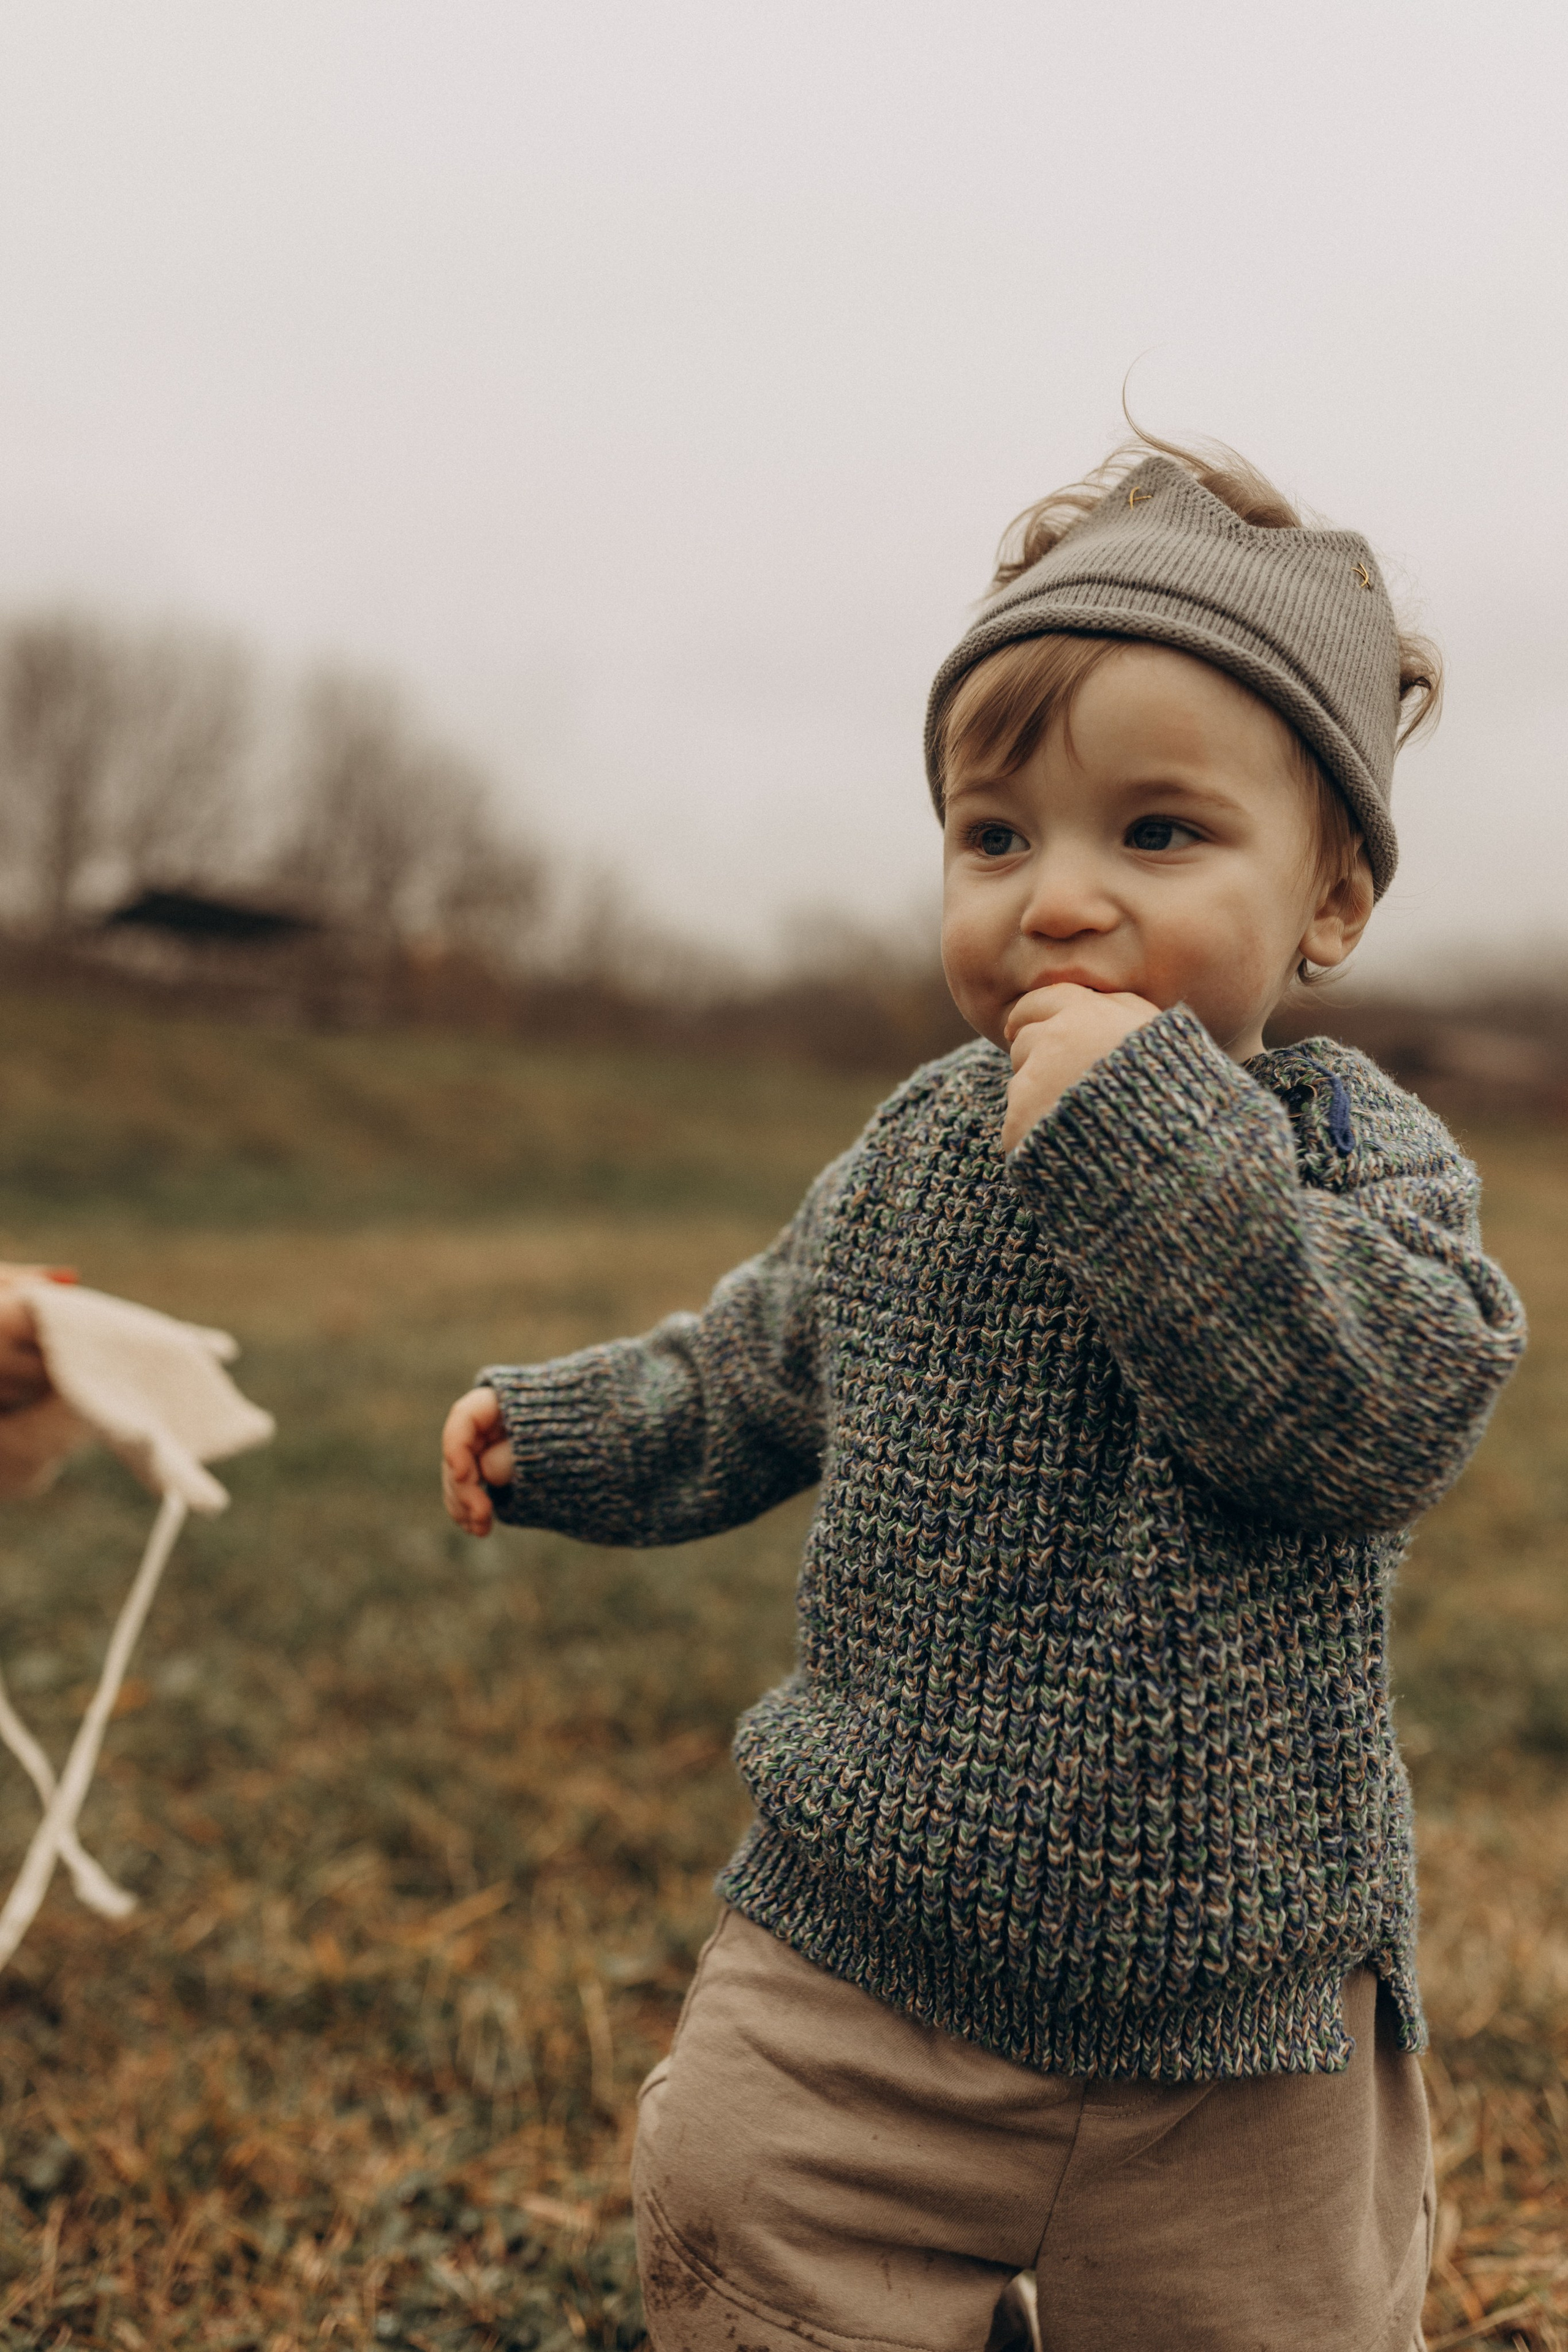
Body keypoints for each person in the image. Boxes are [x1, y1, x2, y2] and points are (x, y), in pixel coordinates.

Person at [441, 432, 1527, 2351]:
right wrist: (568, 1431)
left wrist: (1151, 1144)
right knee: (737, 2209)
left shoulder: (1354, 1152)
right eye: (996, 836)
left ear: (1332, 897)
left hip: (1237, 2023)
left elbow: (1378, 1412)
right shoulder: (924, 1144)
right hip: (865, 1948)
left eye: (1159, 837)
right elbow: (763, 1361)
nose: (1057, 901)